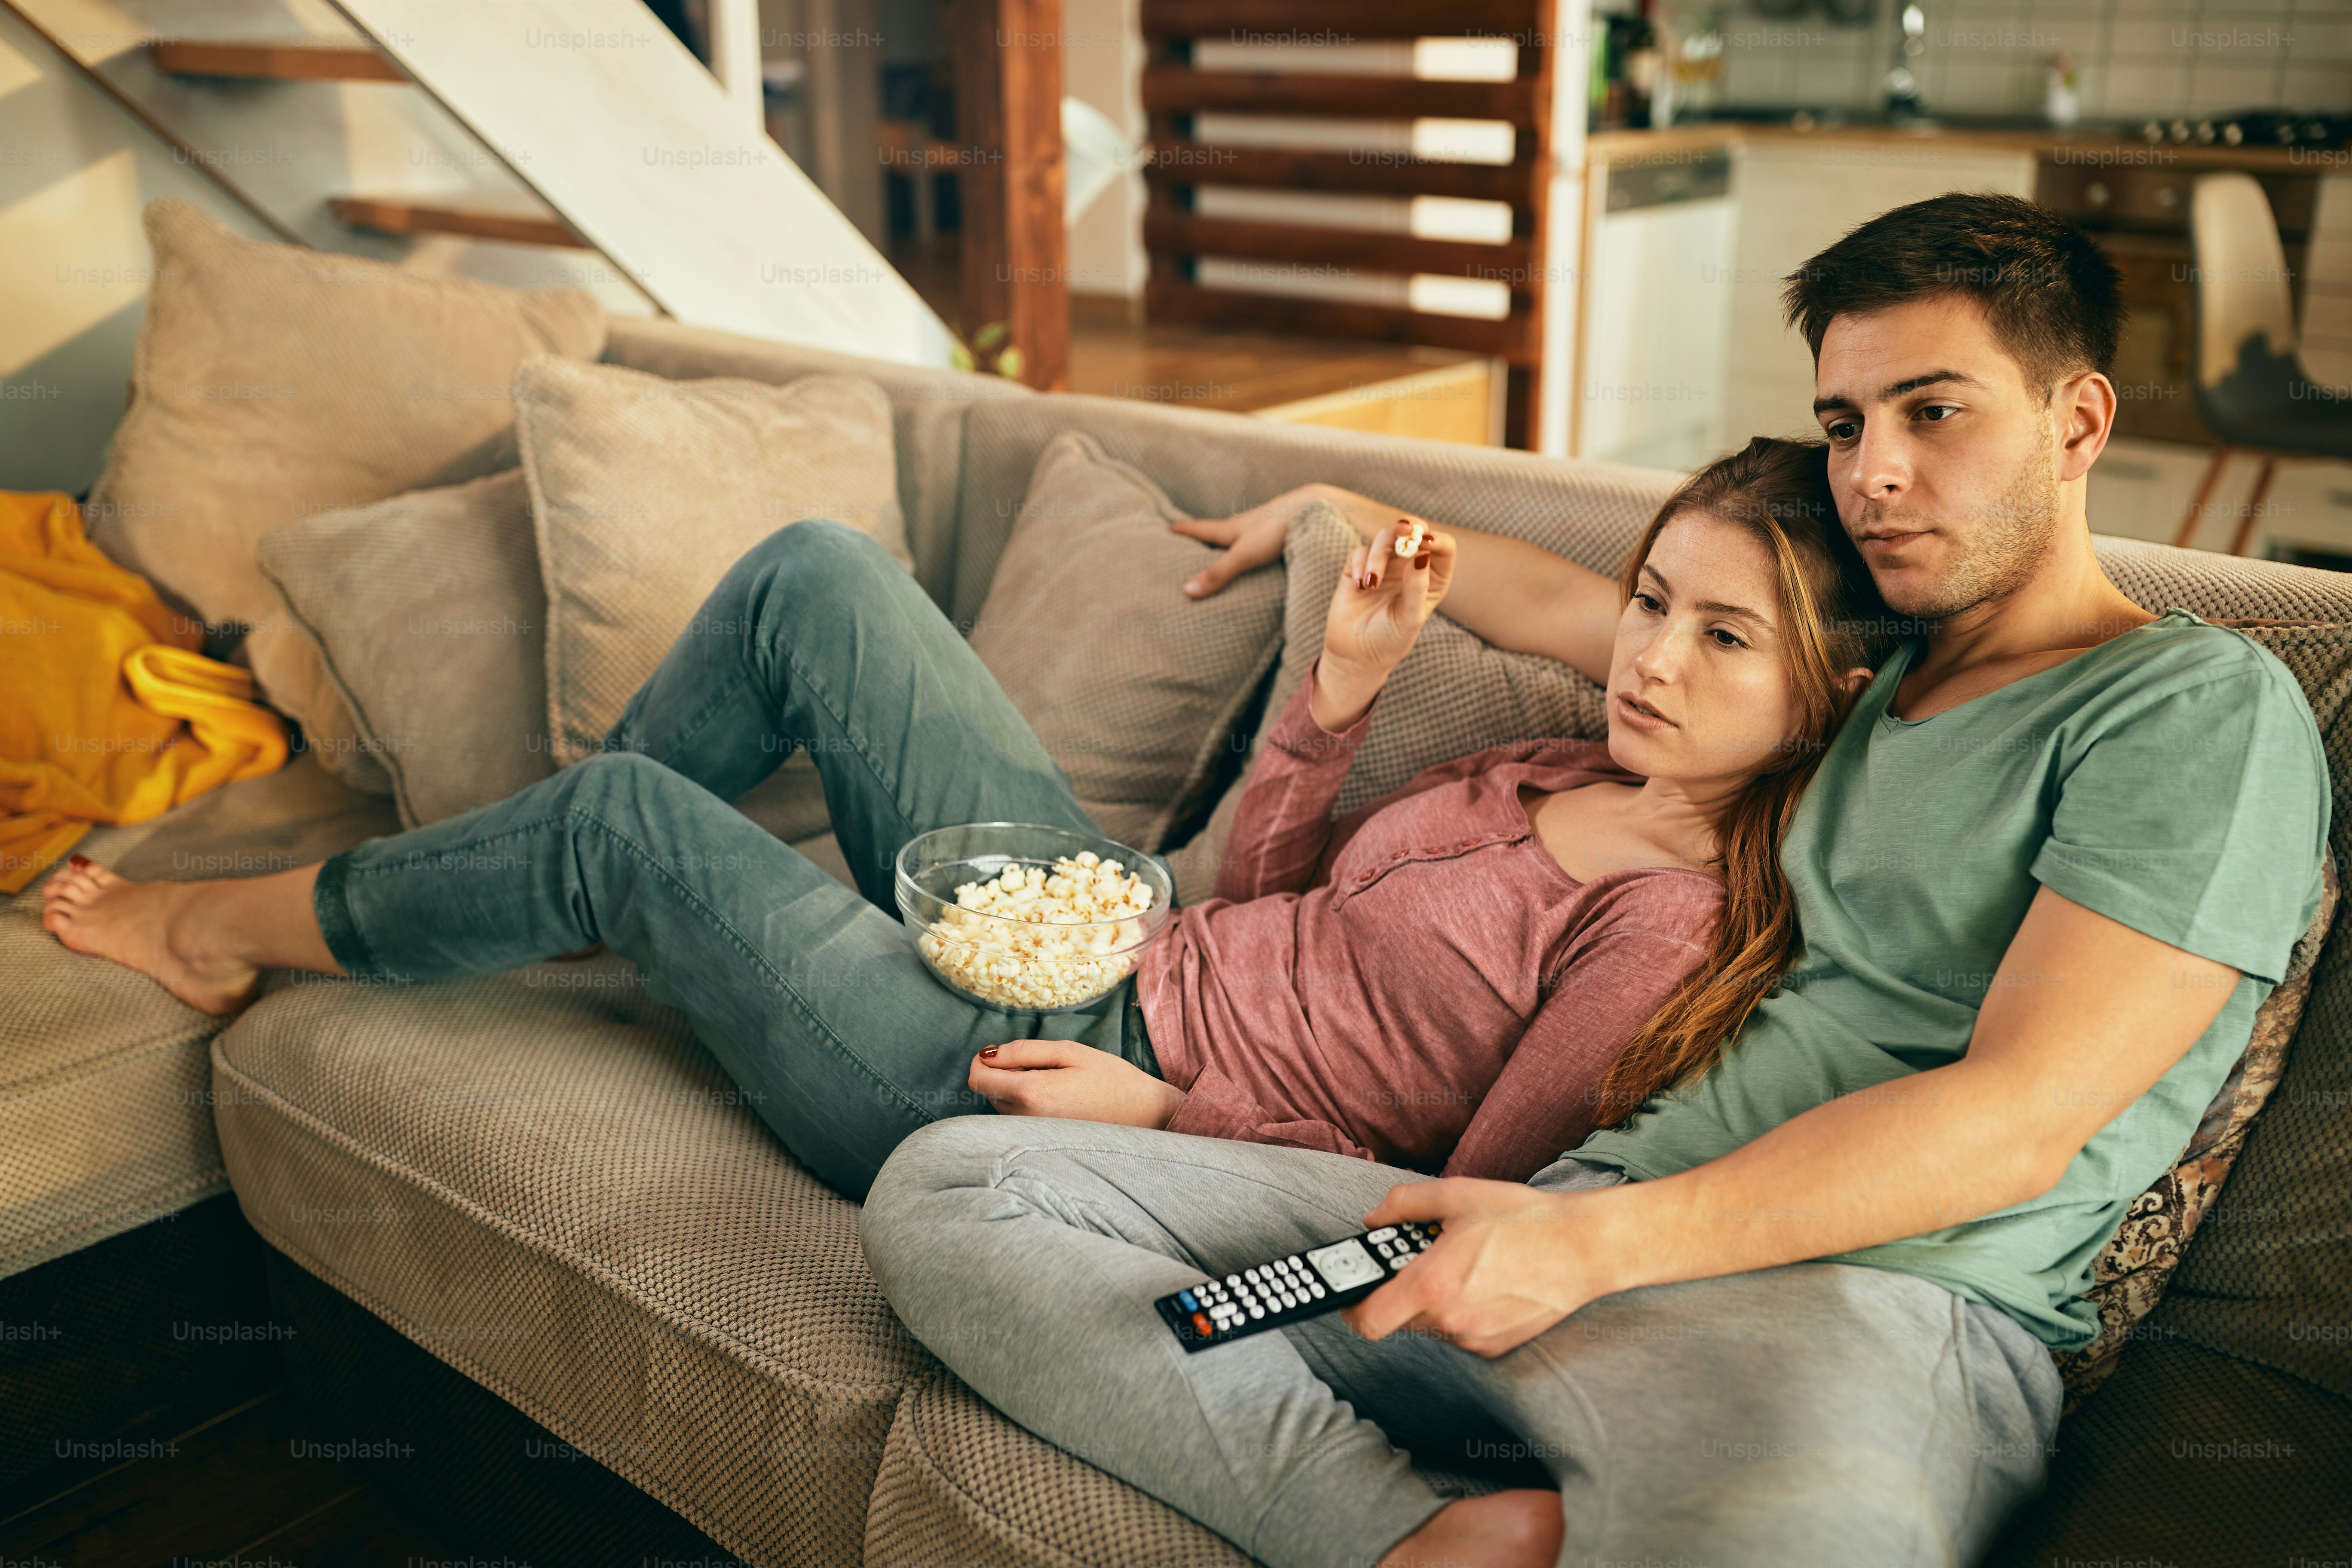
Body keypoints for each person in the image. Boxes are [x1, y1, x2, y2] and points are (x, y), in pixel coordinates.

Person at [856, 191, 2331, 1568]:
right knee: (959, 1189)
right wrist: (1326, 501)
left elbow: (2018, 1119)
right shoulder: (1853, 683)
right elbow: (1568, 604)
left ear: (2078, 422)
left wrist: (1587, 1243)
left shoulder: (2189, 708)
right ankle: (1399, 1531)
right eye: (1843, 422)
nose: (1873, 474)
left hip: (1860, 1306)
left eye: (1933, 412)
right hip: (1536, 1225)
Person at [38, 436, 1887, 1201]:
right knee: (816, 576)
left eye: (1725, 639)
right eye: (1653, 603)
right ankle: (567, 888)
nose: (1651, 659)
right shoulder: (1579, 764)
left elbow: (1464, 1213)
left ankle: (222, 929)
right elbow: (1269, 893)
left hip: (1032, 1071)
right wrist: (1331, 695)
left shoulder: (1662, 931)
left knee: (618, 821)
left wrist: (1169, 1111)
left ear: (1838, 692)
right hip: (1119, 927)